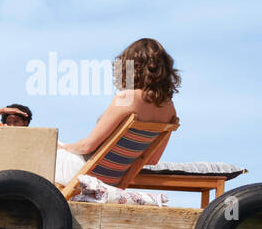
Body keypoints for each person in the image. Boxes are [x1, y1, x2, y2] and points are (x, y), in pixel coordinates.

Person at [54, 38, 179, 184]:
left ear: (131, 67)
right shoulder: (170, 109)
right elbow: (152, 159)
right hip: (114, 180)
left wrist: (64, 148)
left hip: (85, 174)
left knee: (39, 148)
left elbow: (87, 146)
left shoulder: (126, 98)